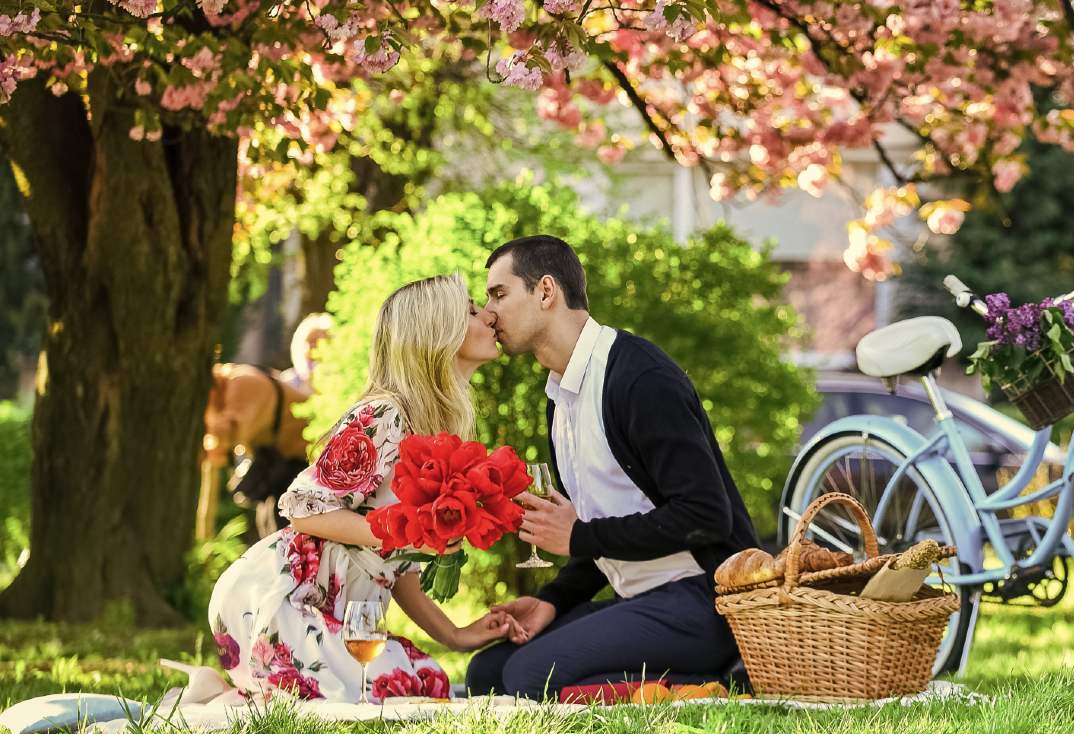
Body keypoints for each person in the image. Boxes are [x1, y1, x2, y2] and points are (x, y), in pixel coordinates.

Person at [207, 275, 520, 702]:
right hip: (279, 601)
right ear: (437, 331)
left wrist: (457, 635)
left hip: (346, 616)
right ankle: (235, 689)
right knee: (396, 695)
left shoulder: (433, 427)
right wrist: (402, 529)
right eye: (470, 311)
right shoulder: (384, 414)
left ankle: (241, 691)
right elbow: (303, 507)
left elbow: (396, 566)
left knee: (426, 684)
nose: (487, 315)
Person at [466, 234, 754, 699]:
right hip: (639, 602)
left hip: (704, 602)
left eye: (499, 294)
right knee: (489, 671)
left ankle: (719, 683)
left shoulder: (639, 377)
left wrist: (579, 536)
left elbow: (705, 516)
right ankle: (668, 686)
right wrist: (552, 601)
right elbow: (600, 531)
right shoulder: (558, 397)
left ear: (545, 291)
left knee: (525, 679)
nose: (489, 312)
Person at [202, 313, 332, 536]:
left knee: (286, 532)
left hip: (309, 461)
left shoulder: (241, 384)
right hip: (289, 465)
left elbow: (228, 436)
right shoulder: (231, 389)